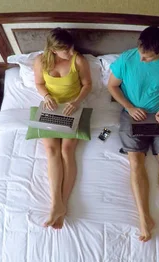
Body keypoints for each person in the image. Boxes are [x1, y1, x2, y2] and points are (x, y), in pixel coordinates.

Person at [107, 26, 159, 242]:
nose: (142, 60)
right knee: (135, 162)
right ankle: (144, 217)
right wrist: (130, 107)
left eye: (148, 58)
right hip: (132, 115)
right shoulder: (126, 59)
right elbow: (112, 86)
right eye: (141, 54)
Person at [33, 28, 92, 229]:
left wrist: (76, 102)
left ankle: (60, 205)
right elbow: (39, 83)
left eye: (71, 47)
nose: (70, 52)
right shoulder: (40, 61)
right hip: (51, 106)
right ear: (53, 50)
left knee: (67, 150)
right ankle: (56, 205)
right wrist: (47, 96)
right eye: (65, 50)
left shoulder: (79, 60)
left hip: (73, 107)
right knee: (51, 150)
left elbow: (87, 85)